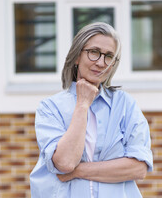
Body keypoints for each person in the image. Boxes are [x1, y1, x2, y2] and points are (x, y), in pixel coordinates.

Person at [30, 22, 153, 198]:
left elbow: (138, 168)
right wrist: (82, 104)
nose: (101, 63)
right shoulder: (50, 107)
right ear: (77, 56)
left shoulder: (125, 105)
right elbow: (65, 163)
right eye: (94, 52)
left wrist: (78, 171)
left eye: (109, 56)